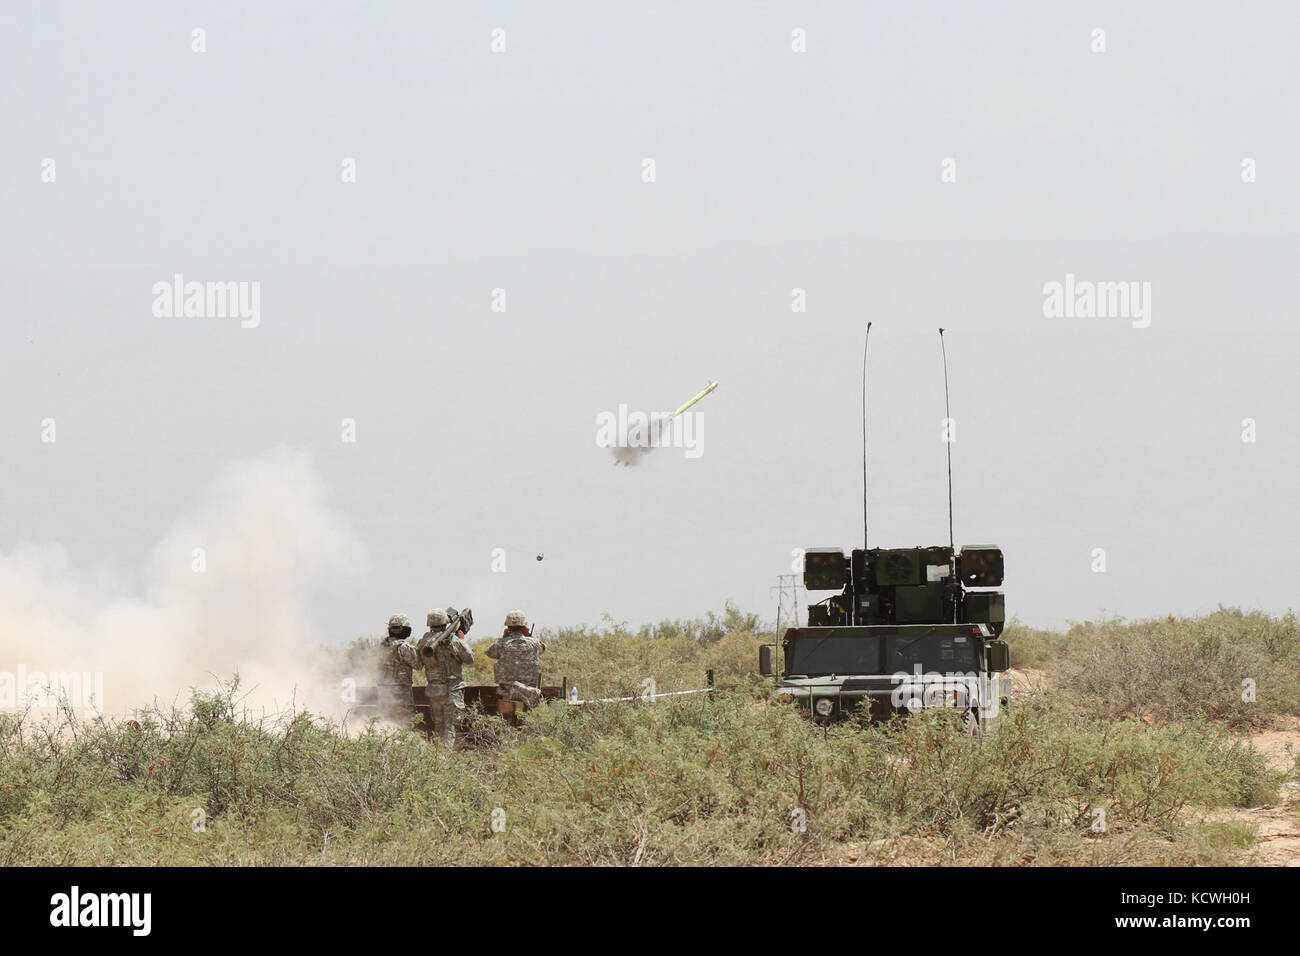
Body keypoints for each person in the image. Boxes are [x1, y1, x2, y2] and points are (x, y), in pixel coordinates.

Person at [417, 608, 474, 747]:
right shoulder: (453, 640)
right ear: (445, 622)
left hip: (434, 689)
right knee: (452, 726)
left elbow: (418, 662)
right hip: (452, 689)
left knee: (438, 725)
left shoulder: (424, 641)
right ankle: (448, 759)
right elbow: (470, 659)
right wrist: (462, 640)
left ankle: (439, 756)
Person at [485, 610, 545, 724]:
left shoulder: (501, 644)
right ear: (524, 626)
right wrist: (528, 636)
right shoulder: (535, 643)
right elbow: (542, 649)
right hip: (530, 694)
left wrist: (503, 637)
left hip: (507, 693)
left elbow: (488, 652)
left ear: (507, 627)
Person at [377, 613, 420, 724]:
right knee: (404, 720)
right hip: (400, 690)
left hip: (383, 689)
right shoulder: (404, 646)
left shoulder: (383, 645)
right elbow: (418, 665)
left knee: (386, 721)